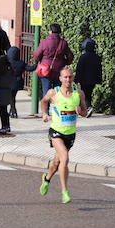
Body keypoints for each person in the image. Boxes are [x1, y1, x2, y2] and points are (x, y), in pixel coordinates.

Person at [39, 66, 87, 204]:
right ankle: (65, 192)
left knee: (57, 161)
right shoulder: (54, 92)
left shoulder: (79, 94)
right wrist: (44, 113)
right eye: (65, 77)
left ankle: (47, 179)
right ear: (60, 78)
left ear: (73, 78)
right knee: (65, 158)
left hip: (70, 134)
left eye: (70, 77)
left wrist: (80, 111)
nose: (68, 79)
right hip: (56, 131)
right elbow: (43, 101)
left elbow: (85, 112)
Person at [32, 23, 74, 99]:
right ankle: (56, 108)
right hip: (59, 70)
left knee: (46, 90)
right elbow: (70, 56)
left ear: (50, 31)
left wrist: (40, 61)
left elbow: (36, 55)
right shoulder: (63, 43)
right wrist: (64, 62)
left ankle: (46, 110)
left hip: (45, 70)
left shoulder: (44, 42)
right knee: (58, 91)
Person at [74, 38, 103, 118]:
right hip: (93, 79)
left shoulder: (83, 57)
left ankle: (88, 108)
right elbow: (99, 69)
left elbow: (79, 69)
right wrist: (99, 79)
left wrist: (76, 79)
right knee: (88, 93)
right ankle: (87, 108)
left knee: (84, 94)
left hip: (84, 79)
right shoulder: (97, 57)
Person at [6, 46, 35, 119]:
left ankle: (13, 111)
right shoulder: (21, 63)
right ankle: (11, 111)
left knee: (11, 97)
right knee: (13, 96)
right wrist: (36, 64)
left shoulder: (7, 63)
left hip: (9, 82)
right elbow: (30, 68)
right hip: (18, 82)